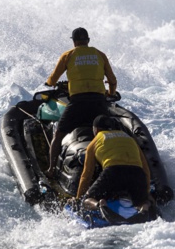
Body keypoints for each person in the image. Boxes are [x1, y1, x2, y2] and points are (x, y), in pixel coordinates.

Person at [45, 27, 117, 177]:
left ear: (74, 42)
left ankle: (51, 169)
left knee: (58, 135)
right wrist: (109, 94)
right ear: (88, 41)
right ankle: (114, 165)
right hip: (98, 100)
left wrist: (50, 83)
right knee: (109, 133)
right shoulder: (99, 54)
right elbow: (112, 80)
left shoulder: (68, 55)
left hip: (78, 101)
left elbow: (53, 79)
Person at [76, 115, 152, 213]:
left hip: (113, 172)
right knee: (141, 201)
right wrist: (146, 192)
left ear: (96, 129)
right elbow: (145, 168)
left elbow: (87, 174)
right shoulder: (129, 138)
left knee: (87, 200)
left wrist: (79, 198)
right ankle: (144, 206)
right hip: (137, 172)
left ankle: (99, 204)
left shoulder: (96, 140)